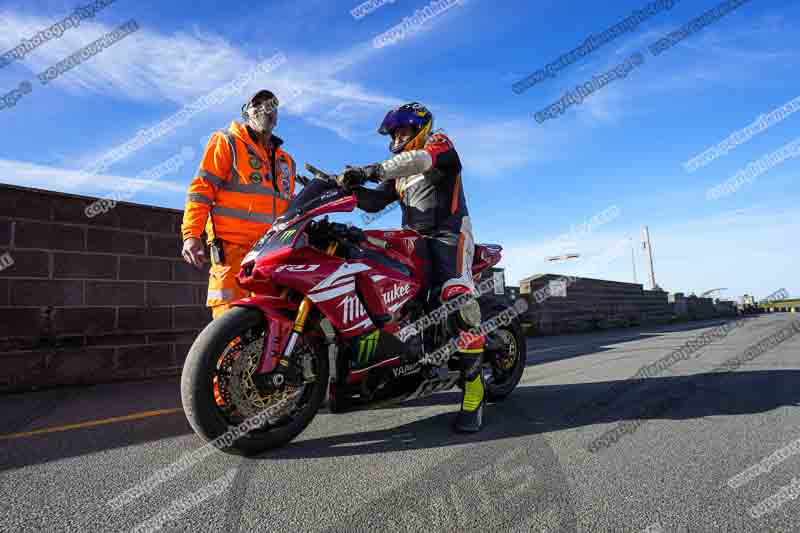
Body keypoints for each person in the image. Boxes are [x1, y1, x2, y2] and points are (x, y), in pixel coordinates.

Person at [337, 102, 486, 433]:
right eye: (394, 133)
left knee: (456, 299)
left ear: (419, 129)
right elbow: (375, 201)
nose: (397, 137)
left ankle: (474, 392)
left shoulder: (438, 145)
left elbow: (418, 161)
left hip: (450, 235)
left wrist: (371, 169)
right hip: (414, 239)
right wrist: (341, 187)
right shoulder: (399, 176)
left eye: (402, 131)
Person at [181, 90, 297, 319]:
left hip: (271, 256)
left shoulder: (287, 162)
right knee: (229, 330)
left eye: (271, 105)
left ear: (277, 117)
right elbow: (201, 190)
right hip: (233, 253)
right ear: (246, 114)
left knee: (273, 328)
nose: (265, 109)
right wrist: (191, 234)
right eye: (257, 105)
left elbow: (289, 206)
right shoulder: (227, 142)